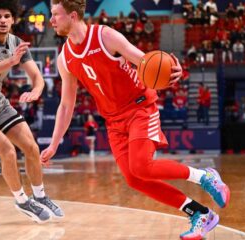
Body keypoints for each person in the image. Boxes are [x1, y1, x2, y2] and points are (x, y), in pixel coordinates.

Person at [41, 1, 230, 239]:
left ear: (73, 15)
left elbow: (145, 61)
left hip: (140, 108)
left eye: (55, 14)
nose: (51, 20)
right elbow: (66, 104)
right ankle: (200, 214)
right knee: (134, 178)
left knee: (142, 166)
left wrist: (171, 70)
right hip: (114, 121)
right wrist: (55, 143)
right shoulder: (64, 59)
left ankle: (205, 177)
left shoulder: (105, 36)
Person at [0, 0, 63, 223]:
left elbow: (37, 77)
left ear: (13, 19)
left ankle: (40, 196)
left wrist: (36, 89)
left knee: (32, 147)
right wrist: (10, 61)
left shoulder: (15, 42)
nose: (3, 20)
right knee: (7, 151)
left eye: (7, 16)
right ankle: (22, 200)